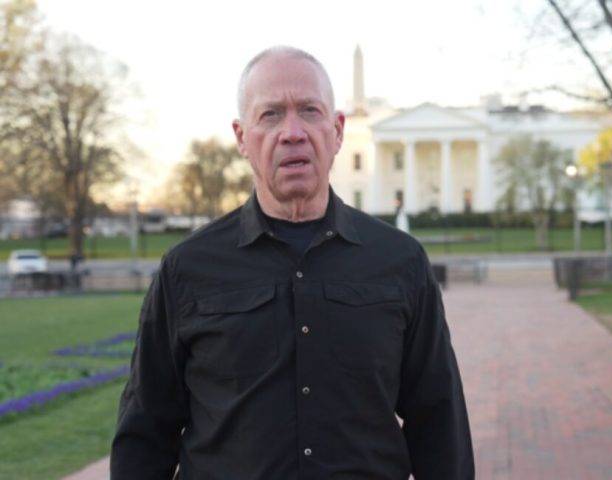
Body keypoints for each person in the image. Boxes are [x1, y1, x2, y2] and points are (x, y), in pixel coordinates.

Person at [110, 46, 474, 479]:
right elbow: (146, 431)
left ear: (337, 130)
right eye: (270, 115)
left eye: (309, 111)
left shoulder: (400, 261)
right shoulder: (187, 270)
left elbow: (439, 420)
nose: (292, 132)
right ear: (242, 137)